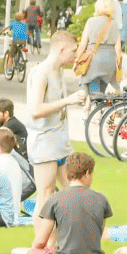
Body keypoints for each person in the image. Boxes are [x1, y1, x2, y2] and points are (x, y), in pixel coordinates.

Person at [24, 30, 86, 207]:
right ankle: (45, 236)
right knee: (46, 195)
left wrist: (79, 100)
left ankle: (69, 232)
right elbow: (35, 110)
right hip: (44, 142)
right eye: (73, 51)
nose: (76, 55)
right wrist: (68, 100)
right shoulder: (40, 73)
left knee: (74, 191)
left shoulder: (58, 71)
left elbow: (56, 103)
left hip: (60, 142)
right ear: (62, 49)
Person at [22, 152, 111, 254]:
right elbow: (96, 234)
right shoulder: (101, 199)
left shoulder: (56, 199)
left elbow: (41, 241)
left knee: (18, 253)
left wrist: (33, 252)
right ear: (87, 173)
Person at [77, 0, 120, 96]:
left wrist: (76, 59)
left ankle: (93, 107)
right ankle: (100, 108)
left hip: (95, 61)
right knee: (102, 90)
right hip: (110, 61)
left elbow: (83, 44)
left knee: (95, 93)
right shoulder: (114, 24)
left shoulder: (91, 21)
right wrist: (118, 68)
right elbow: (118, 50)